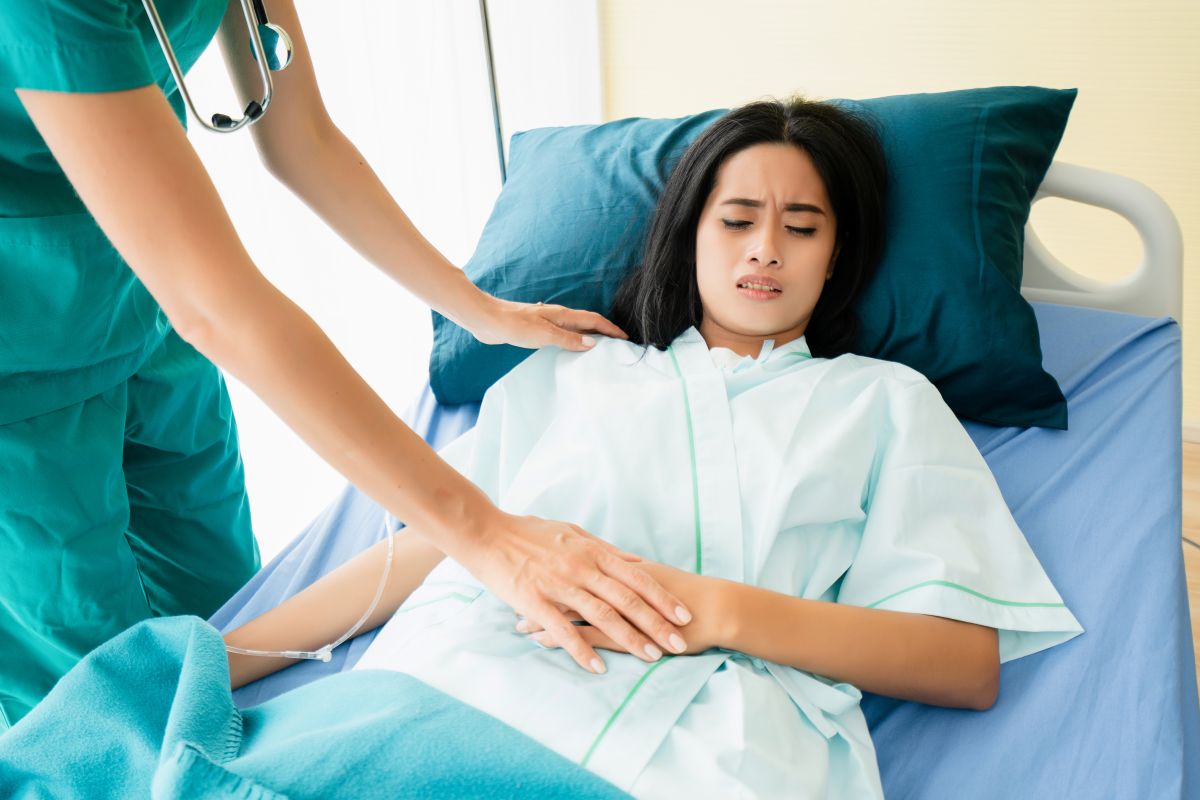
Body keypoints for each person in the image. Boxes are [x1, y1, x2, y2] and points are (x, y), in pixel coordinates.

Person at [222, 96, 1085, 797]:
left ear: (837, 258)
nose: (764, 249)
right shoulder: (579, 370)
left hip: (714, 738)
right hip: (477, 673)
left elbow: (962, 662)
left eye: (804, 227)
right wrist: (228, 657)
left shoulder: (881, 400)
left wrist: (710, 609)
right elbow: (439, 540)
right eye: (736, 219)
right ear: (691, 235)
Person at [0, 0, 691, 731]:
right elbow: (219, 307)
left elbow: (305, 143)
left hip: (143, 314)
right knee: (96, 709)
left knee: (231, 639)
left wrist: (477, 307)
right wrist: (486, 535)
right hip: (23, 358)